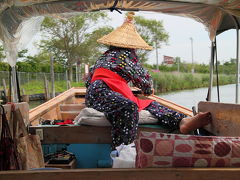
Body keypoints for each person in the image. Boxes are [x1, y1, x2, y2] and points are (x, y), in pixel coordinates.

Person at [85, 12, 211, 150]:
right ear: (132, 47)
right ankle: (122, 149)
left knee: (146, 104)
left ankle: (183, 122)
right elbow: (145, 84)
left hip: (97, 93)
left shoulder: (103, 57)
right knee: (130, 106)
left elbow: (88, 82)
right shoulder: (126, 56)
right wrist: (148, 89)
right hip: (103, 91)